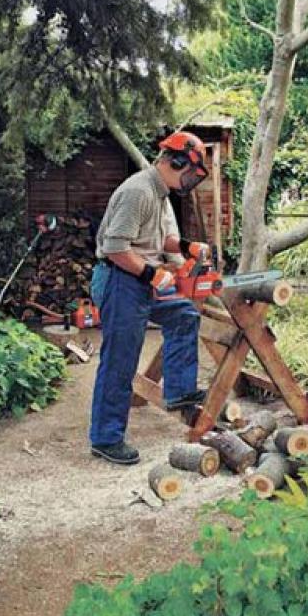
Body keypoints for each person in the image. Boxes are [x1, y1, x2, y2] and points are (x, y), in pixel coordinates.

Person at [87, 131, 213, 465]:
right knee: (121, 359)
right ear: (178, 162)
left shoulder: (160, 194)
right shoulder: (138, 191)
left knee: (184, 314)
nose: (191, 180)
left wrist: (187, 247)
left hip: (138, 278)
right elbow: (115, 248)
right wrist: (151, 275)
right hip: (119, 280)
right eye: (191, 172)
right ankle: (105, 438)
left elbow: (160, 240)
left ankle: (179, 391)